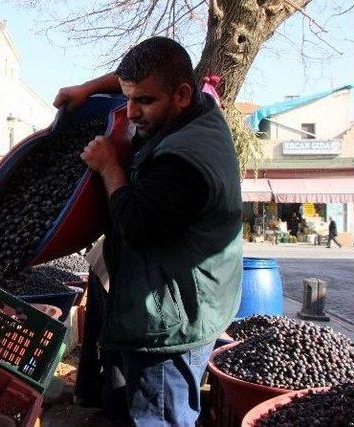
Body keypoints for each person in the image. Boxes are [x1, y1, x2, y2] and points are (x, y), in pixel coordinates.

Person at [55, 37, 243, 426]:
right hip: (170, 295)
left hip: (171, 323)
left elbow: (138, 226)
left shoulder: (185, 160)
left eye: (144, 102)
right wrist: (87, 89)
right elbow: (136, 80)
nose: (131, 111)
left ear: (181, 94)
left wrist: (109, 167)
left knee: (160, 416)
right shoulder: (192, 106)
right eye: (128, 98)